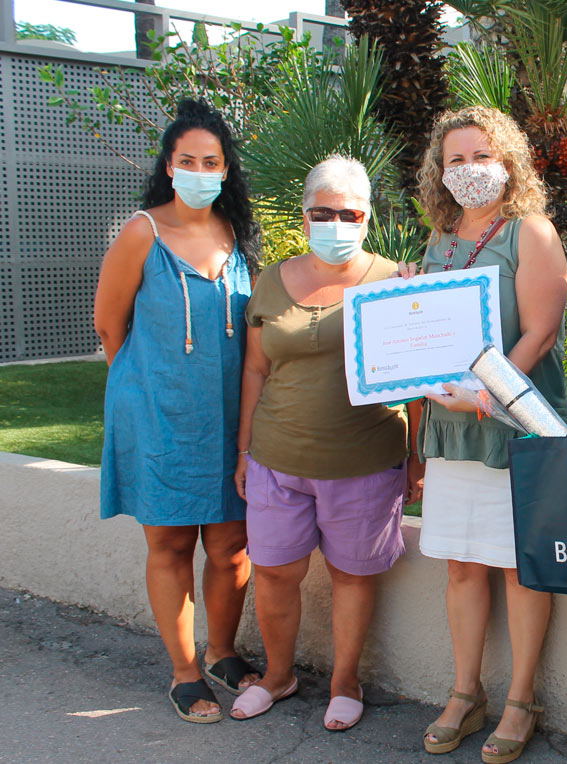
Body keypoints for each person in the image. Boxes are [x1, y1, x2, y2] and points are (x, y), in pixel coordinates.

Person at [230, 155, 420, 731]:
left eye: (349, 213)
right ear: (305, 214)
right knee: (274, 573)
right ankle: (277, 676)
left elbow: (416, 377)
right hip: (276, 461)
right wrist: (243, 451)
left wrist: (416, 457)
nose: (335, 223)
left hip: (364, 461)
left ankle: (345, 682)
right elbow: (255, 370)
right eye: (323, 212)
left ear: (367, 217)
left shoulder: (394, 281)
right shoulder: (270, 281)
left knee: (352, 577)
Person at [408, 105, 567, 764]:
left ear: (508, 164)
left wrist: (488, 392)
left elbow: (541, 330)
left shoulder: (530, 231)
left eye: (482, 156)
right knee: (462, 565)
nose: (469, 169)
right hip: (452, 432)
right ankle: (465, 691)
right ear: (439, 171)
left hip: (510, 427)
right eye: (456, 159)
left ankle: (521, 699)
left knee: (519, 568)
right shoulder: (438, 242)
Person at [96, 98, 262, 723]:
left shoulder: (236, 233)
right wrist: (149, 386)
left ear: (226, 169)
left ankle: (222, 652)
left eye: (210, 161)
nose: (198, 170)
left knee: (231, 546)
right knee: (169, 543)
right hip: (159, 414)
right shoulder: (142, 231)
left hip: (229, 418)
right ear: (168, 166)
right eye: (186, 160)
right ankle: (185, 671)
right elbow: (109, 325)